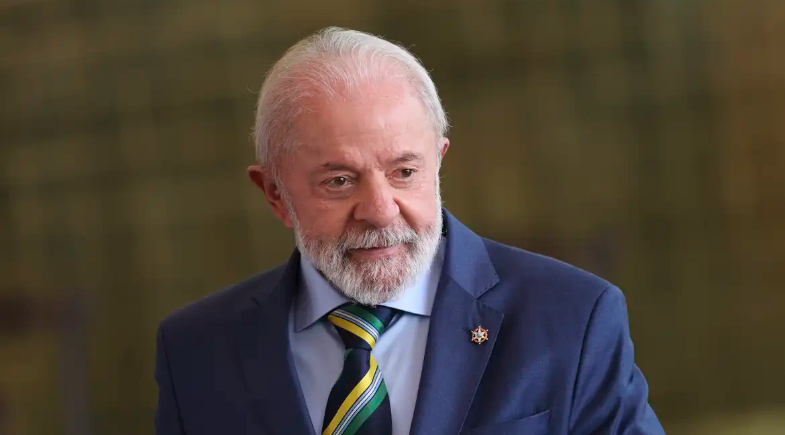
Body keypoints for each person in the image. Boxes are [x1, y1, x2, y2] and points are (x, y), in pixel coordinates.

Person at [154, 27, 666, 435]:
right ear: (274, 194)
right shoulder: (196, 353)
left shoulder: (573, 319)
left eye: (404, 172)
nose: (380, 211)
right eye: (339, 181)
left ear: (437, 163)